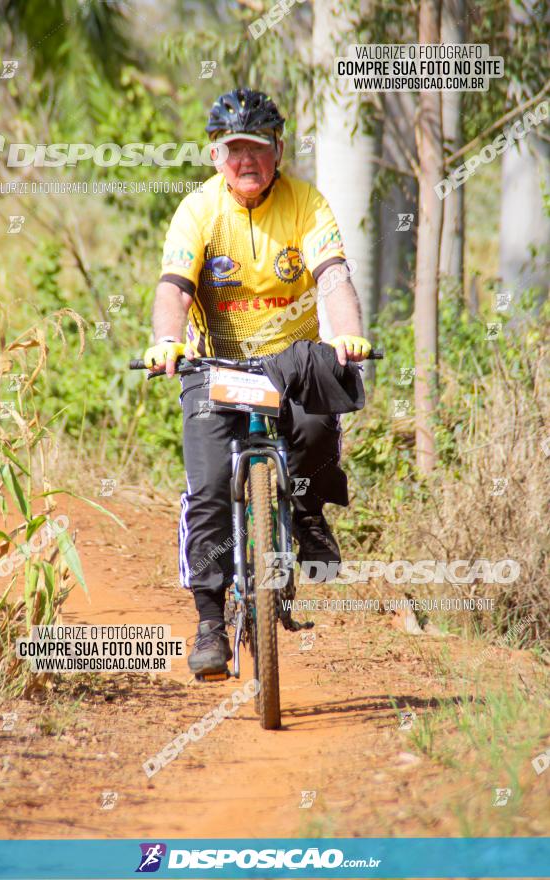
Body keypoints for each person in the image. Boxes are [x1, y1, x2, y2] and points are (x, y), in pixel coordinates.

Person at [144, 88, 371, 675]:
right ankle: (211, 625)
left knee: (321, 429)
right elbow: (174, 286)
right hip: (213, 363)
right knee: (212, 486)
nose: (247, 161)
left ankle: (308, 513)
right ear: (215, 156)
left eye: (259, 148)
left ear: (279, 148)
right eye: (233, 149)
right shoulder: (198, 210)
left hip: (290, 359)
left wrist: (345, 334)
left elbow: (333, 279)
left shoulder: (306, 203)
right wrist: (167, 340)